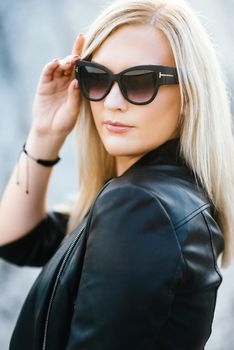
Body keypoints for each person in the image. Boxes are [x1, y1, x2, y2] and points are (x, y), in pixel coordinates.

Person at [0, 0, 233, 349]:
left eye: (139, 82)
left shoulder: (140, 206)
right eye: (96, 78)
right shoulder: (161, 199)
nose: (111, 101)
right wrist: (46, 133)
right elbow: (17, 241)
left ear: (188, 95)